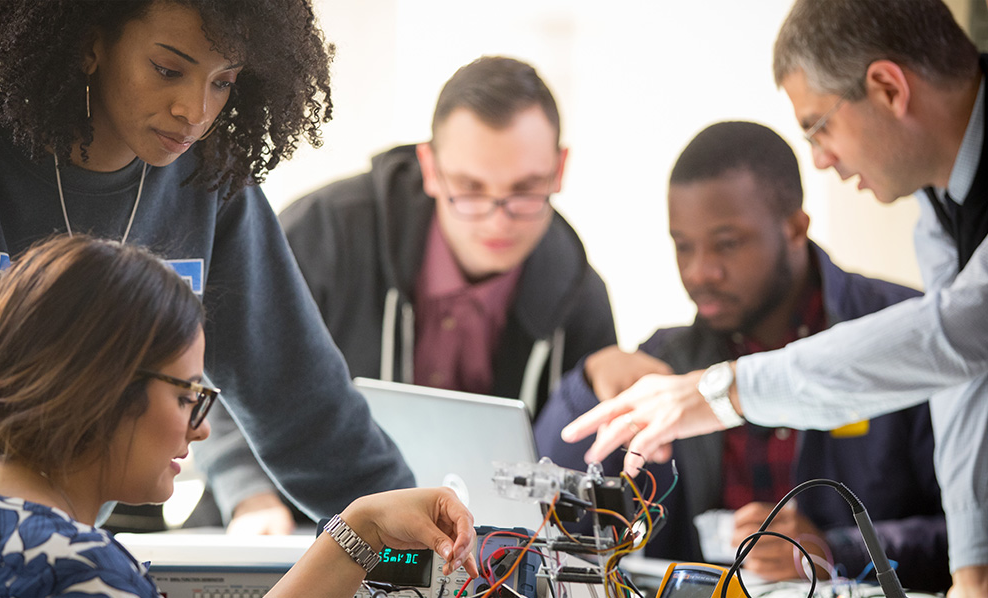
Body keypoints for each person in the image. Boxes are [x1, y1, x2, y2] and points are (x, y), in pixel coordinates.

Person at [0, 0, 414, 531]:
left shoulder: (211, 184)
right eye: (168, 69)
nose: (196, 111)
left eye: (223, 81)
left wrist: (428, 550)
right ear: (90, 43)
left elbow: (305, 408)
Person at [559, 1, 988, 594]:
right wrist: (975, 572)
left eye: (819, 126)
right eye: (682, 246)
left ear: (888, 88)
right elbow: (964, 371)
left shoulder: (890, 318)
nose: (821, 158)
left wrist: (724, 392)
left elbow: (958, 334)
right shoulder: (940, 211)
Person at [195, 55, 617, 531]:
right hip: (277, 526)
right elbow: (216, 366)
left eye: (526, 190)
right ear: (430, 168)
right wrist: (248, 494)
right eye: (471, 189)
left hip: (467, 557)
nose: (499, 219)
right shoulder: (327, 231)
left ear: (559, 169)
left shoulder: (580, 295)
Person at [0, 235, 477, 597]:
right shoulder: (79, 573)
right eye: (188, 395)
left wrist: (363, 527)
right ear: (106, 387)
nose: (203, 427)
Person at [534, 121, 948, 591]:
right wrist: (588, 379)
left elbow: (968, 533)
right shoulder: (669, 360)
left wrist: (836, 551)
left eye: (727, 244)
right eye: (682, 246)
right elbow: (546, 502)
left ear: (795, 227)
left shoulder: (907, 334)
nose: (699, 272)